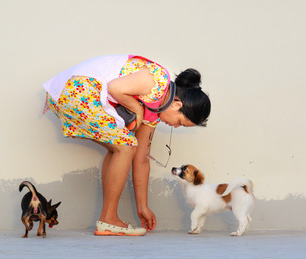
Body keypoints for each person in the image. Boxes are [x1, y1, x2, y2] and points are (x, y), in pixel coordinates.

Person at [42, 55, 211, 236]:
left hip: (75, 95)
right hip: (76, 89)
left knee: (121, 148)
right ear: (177, 104)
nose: (175, 126)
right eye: (180, 122)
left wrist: (142, 207)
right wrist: (137, 109)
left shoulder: (154, 113)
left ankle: (107, 219)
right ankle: (108, 219)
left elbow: (141, 159)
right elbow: (115, 88)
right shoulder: (158, 79)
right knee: (125, 147)